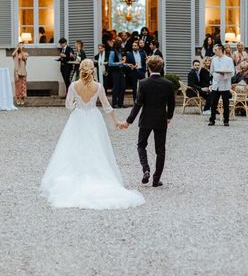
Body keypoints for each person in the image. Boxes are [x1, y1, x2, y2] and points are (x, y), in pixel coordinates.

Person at [40, 59, 145, 210]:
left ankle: (76, 174)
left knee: (74, 147)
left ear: (80, 69)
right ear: (93, 70)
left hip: (77, 118)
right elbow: (107, 107)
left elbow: (68, 106)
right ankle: (98, 175)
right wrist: (116, 122)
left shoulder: (73, 85)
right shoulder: (98, 86)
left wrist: (76, 105)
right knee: (96, 147)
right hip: (94, 118)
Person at [118, 55, 175, 187]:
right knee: (160, 149)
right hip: (161, 119)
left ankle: (146, 169)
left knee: (141, 145)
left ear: (148, 68)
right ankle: (156, 179)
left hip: (146, 119)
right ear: (161, 68)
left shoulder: (143, 83)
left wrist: (128, 121)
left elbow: (138, 104)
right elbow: (171, 104)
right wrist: (169, 117)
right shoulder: (168, 84)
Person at [208, 44, 235, 126]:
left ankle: (226, 120)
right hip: (216, 83)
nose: (214, 51)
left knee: (225, 103)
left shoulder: (229, 60)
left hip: (225, 84)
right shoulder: (214, 59)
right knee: (213, 103)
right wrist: (216, 75)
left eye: (215, 50)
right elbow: (211, 71)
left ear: (220, 50)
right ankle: (212, 119)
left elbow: (232, 72)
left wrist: (224, 74)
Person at [108, 39, 127, 108]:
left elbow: (122, 63)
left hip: (121, 71)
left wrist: (128, 65)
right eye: (121, 44)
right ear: (118, 45)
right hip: (115, 72)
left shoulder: (119, 52)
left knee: (123, 86)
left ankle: (120, 103)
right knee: (116, 87)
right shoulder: (112, 52)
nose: (122, 45)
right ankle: (114, 103)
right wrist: (120, 63)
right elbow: (110, 63)